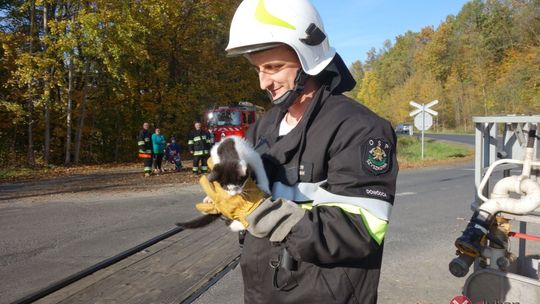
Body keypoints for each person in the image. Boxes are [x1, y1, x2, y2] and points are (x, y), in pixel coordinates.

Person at [194, 0, 398, 303]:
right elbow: (252, 205)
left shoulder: (360, 129)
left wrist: (259, 211)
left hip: (323, 294)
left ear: (309, 57)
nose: (264, 82)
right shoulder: (265, 127)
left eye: (274, 67)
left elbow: (359, 231)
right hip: (263, 292)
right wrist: (230, 201)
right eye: (258, 69)